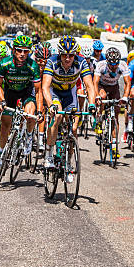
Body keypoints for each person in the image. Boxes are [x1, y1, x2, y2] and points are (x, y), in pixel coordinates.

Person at [42, 35, 96, 170]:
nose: (67, 59)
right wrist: (50, 105)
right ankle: (49, 154)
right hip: (55, 92)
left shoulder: (81, 62)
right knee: (58, 116)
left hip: (70, 94)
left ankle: (68, 161)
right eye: (64, 55)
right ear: (59, 54)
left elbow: (89, 85)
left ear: (75, 54)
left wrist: (92, 104)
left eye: (71, 55)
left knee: (73, 128)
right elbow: (45, 86)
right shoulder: (52, 61)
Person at [0, 35, 42, 174]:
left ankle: (28, 136)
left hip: (27, 92)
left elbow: (38, 90)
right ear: (14, 50)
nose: (22, 54)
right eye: (19, 50)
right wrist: (2, 101)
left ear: (29, 52)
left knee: (30, 115)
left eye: (26, 51)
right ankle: (2, 158)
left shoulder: (33, 66)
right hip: (10, 93)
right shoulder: (4, 64)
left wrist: (39, 111)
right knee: (5, 125)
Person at [93, 47, 131, 155]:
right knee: (103, 96)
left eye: (116, 64)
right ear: (107, 62)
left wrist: (125, 97)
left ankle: (114, 145)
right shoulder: (101, 65)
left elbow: (128, 83)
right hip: (102, 86)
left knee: (116, 114)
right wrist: (97, 96)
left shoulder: (123, 65)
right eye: (111, 64)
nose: (114, 67)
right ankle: (99, 119)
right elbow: (95, 82)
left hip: (114, 87)